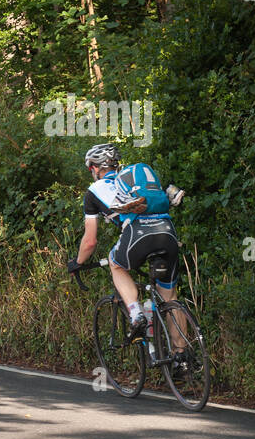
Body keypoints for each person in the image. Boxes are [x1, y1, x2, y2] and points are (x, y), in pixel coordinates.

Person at [67, 143, 181, 338]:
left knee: (116, 264)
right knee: (170, 298)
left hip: (138, 235)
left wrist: (77, 262)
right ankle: (181, 358)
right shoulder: (131, 182)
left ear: (94, 168)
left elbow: (90, 242)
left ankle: (137, 315)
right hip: (167, 231)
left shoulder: (94, 191)